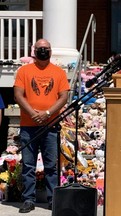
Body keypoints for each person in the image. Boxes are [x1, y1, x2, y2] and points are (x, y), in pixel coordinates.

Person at [14, 39, 70, 213]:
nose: (43, 51)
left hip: (50, 126)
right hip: (28, 126)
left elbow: (63, 96)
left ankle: (54, 199)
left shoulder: (58, 72)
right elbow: (18, 95)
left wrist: (46, 114)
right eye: (40, 49)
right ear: (34, 51)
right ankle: (28, 200)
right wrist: (33, 113)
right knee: (28, 165)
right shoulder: (24, 71)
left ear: (51, 51)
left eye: (46, 49)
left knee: (51, 166)